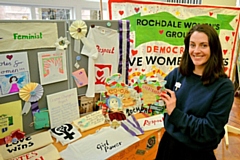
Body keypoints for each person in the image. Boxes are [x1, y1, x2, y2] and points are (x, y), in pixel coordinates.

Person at [155, 24, 235, 160]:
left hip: (197, 154)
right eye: (192, 45)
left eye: (203, 45)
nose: (196, 51)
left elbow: (208, 131)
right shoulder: (177, 74)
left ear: (214, 48)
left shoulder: (224, 87)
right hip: (168, 147)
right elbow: (156, 101)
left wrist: (175, 113)